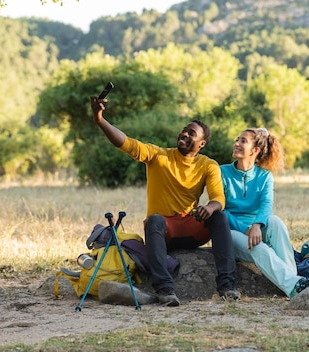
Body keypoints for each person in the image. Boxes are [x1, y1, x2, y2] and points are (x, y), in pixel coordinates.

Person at [90, 96, 240, 306]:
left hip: (190, 228)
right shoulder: (158, 156)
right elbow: (125, 142)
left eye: (191, 133)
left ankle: (227, 285)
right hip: (164, 231)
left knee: (220, 217)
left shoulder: (208, 165)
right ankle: (165, 290)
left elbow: (218, 198)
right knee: (154, 220)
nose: (185, 134)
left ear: (202, 143)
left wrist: (210, 207)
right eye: (184, 130)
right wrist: (100, 119)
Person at [220, 127, 309, 298]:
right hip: (230, 232)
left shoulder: (264, 176)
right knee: (258, 247)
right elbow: (220, 210)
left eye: (243, 141)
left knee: (276, 222)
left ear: (255, 150)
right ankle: (293, 284)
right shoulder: (222, 172)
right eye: (237, 139)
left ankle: (293, 282)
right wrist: (247, 229)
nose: (236, 144)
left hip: (256, 227)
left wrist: (256, 225)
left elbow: (266, 205)